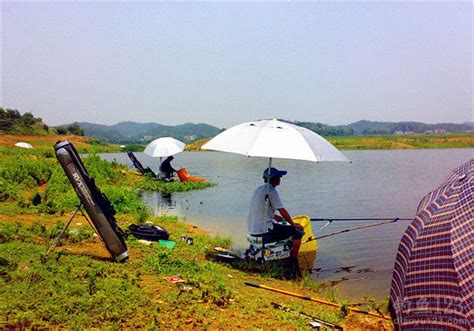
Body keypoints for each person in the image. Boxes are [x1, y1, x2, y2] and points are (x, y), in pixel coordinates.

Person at [247, 167, 304, 259]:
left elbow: (262, 209)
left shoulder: (258, 189)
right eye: (279, 177)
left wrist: (274, 216)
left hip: (252, 229)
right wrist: (293, 224)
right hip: (264, 232)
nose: (280, 179)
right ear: (274, 178)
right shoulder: (271, 191)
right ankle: (294, 259)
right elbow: (282, 211)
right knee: (298, 232)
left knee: (281, 225)